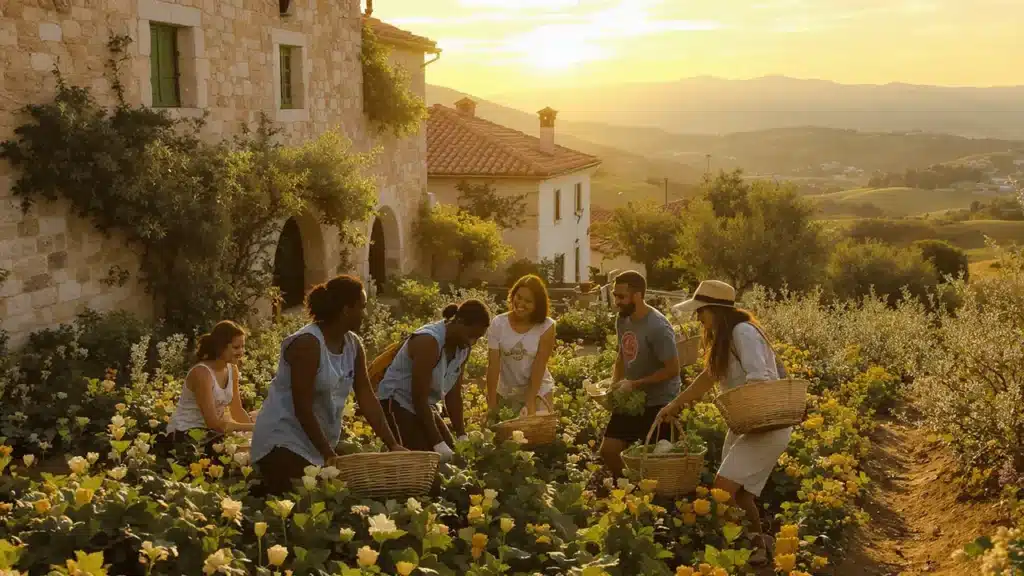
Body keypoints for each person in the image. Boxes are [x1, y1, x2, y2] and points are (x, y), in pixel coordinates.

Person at [656, 279, 791, 565]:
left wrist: (749, 408)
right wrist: (675, 405)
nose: (698, 318)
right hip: (746, 423)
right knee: (740, 495)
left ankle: (736, 546)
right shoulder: (725, 337)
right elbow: (707, 378)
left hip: (764, 423)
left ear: (716, 310)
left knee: (723, 488)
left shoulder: (743, 332)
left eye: (700, 311)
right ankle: (757, 544)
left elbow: (761, 378)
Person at [250, 275, 403, 496]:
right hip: (283, 440)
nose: (365, 314)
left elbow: (367, 397)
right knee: (306, 502)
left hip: (315, 442)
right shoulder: (308, 344)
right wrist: (329, 456)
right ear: (345, 310)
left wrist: (393, 444)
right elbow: (302, 407)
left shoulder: (353, 345)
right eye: (362, 307)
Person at [376, 299, 491, 461]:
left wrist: (461, 435)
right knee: (422, 461)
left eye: (477, 338)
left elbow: (453, 393)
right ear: (459, 322)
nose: (472, 342)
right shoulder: (429, 341)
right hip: (396, 402)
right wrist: (437, 442)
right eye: (471, 335)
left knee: (456, 460)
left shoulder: (463, 348)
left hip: (425, 407)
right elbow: (418, 396)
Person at [598, 270, 681, 478]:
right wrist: (614, 386)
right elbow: (622, 354)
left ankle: (652, 501)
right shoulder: (623, 319)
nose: (616, 301)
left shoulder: (658, 327)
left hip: (659, 402)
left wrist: (635, 384)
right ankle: (629, 491)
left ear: (638, 296)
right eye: (615, 295)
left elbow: (673, 369)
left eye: (621, 296)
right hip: (630, 398)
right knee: (609, 451)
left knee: (657, 464)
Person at [166, 320, 255, 445]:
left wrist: (255, 431)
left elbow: (237, 410)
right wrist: (252, 428)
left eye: (243, 346)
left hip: (211, 433)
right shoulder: (202, 373)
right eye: (236, 347)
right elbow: (213, 423)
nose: (241, 352)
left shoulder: (232, 369)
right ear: (220, 347)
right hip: (186, 434)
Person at [485, 275, 556, 418]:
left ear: (538, 305)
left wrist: (530, 402)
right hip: (507, 390)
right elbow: (493, 365)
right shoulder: (499, 323)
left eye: (528, 301)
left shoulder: (547, 326)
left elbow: (539, 365)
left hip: (538, 389)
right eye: (519, 297)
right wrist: (491, 403)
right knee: (505, 435)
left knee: (538, 432)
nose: (521, 303)